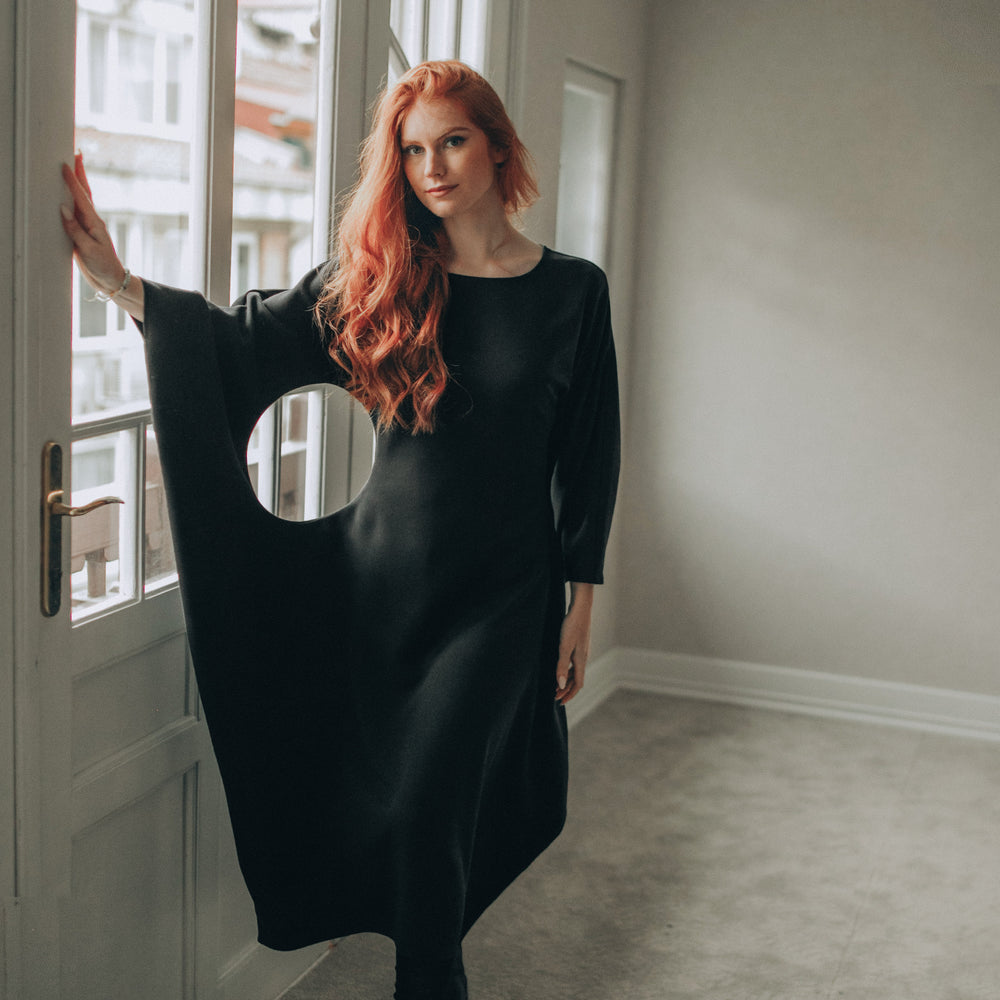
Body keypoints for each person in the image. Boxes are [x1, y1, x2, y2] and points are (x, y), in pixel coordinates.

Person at [61, 60, 619, 1000]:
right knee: (411, 828)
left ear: (496, 145)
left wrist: (581, 597)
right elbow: (238, 342)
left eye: (452, 140)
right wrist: (122, 284)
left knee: (437, 805)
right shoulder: (387, 280)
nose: (432, 166)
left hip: (502, 596)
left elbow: (588, 453)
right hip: (381, 588)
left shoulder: (572, 292)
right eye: (411, 150)